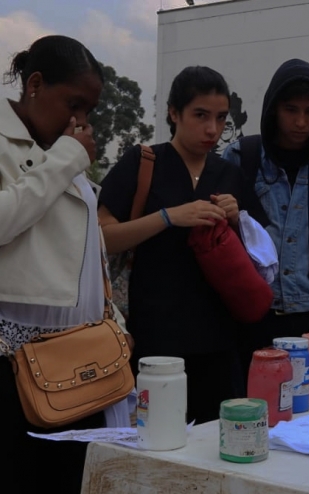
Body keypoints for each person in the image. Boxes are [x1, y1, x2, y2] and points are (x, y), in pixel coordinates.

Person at [99, 66, 262, 424]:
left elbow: (262, 255)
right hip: (154, 341)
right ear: (174, 113)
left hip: (218, 342)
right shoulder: (143, 163)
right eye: (200, 115)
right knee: (156, 444)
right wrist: (168, 216)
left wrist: (239, 220)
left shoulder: (229, 175)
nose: (212, 129)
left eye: (220, 118)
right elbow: (102, 238)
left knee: (213, 448)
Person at [0, 35, 106, 494]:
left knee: (69, 481)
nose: (79, 120)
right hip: (11, 367)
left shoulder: (62, 150)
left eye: (89, 110)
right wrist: (65, 159)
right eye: (73, 103)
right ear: (35, 84)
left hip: (73, 361)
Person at [223, 59, 309, 396]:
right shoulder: (240, 158)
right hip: (257, 314)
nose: (301, 122)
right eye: (290, 110)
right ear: (273, 109)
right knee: (258, 411)